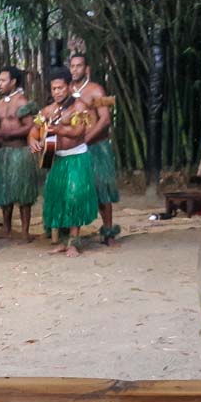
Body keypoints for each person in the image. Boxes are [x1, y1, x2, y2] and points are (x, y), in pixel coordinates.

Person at [31, 67, 98, 257]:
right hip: (57, 159)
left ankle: (74, 242)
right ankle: (63, 241)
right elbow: (34, 130)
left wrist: (58, 129)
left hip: (76, 158)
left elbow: (78, 132)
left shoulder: (79, 107)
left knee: (74, 197)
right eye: (54, 89)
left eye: (60, 88)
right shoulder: (48, 110)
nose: (57, 92)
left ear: (69, 87)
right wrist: (33, 141)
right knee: (58, 198)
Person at [69, 53, 120, 244]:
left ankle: (108, 231)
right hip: (75, 148)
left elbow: (105, 119)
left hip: (97, 146)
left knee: (102, 188)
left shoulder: (96, 90)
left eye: (79, 66)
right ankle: (71, 234)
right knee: (74, 190)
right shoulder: (66, 90)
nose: (75, 69)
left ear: (87, 69)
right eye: (72, 66)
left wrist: (86, 140)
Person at [0, 65, 39, 243]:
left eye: (3, 80)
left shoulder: (21, 101)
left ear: (13, 82)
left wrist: (10, 134)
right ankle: (7, 229)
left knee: (24, 194)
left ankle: (25, 232)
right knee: (5, 192)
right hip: (3, 152)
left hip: (20, 152)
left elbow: (30, 125)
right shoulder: (0, 103)